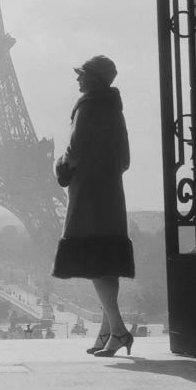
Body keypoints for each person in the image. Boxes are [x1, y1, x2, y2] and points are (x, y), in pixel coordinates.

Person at [51, 55, 135, 357]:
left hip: (89, 194)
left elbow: (74, 150)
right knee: (106, 260)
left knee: (96, 263)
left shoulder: (88, 107)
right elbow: (125, 159)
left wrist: (61, 168)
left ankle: (119, 331)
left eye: (82, 74)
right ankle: (106, 333)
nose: (77, 79)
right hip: (110, 192)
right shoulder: (115, 110)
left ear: (94, 79)